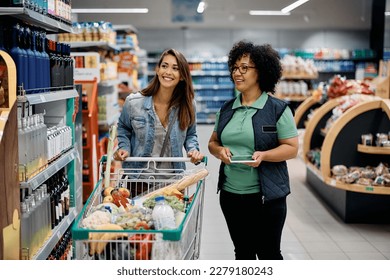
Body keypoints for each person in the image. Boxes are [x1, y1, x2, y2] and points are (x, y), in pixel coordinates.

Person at [208, 40, 298, 260]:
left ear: (262, 72)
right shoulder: (227, 108)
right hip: (230, 196)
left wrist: (265, 156)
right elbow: (213, 142)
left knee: (268, 254)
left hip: (266, 198)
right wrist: (219, 151)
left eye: (245, 68)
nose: (237, 73)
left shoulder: (277, 109)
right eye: (235, 68)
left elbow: (292, 148)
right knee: (243, 253)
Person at [113, 48, 204, 195]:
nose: (168, 72)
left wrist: (193, 150)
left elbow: (190, 134)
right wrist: (124, 148)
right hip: (139, 181)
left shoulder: (187, 105)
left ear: (182, 76)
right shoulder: (134, 102)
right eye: (164, 66)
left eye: (175, 68)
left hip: (173, 183)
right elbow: (124, 128)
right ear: (157, 69)